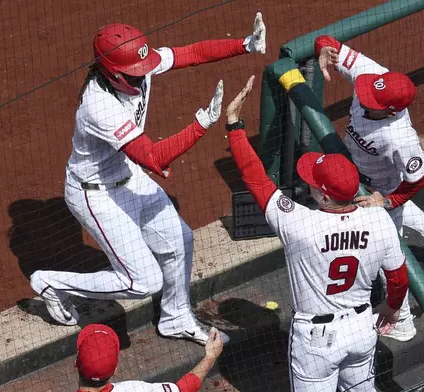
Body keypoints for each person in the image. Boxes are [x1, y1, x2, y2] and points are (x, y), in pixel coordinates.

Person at [28, 13, 267, 346]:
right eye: (133, 72)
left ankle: (176, 318)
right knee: (143, 282)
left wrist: (244, 44)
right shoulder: (98, 107)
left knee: (180, 240)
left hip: (128, 176)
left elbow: (192, 54)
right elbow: (153, 157)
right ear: (112, 71)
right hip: (96, 195)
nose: (142, 75)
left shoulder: (137, 64)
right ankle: (52, 284)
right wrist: (201, 123)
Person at [223, 75, 409, 391]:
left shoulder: (299, 224)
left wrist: (234, 126)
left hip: (315, 341)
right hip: (362, 329)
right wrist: (391, 309)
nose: (309, 184)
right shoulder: (379, 220)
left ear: (324, 196)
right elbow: (398, 279)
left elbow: (255, 178)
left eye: (314, 183)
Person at [314, 35, 424, 341]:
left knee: (388, 259)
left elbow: (419, 178)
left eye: (374, 104)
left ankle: (402, 322)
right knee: (393, 246)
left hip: (380, 189)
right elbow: (326, 41)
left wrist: (386, 201)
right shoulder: (374, 76)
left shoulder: (400, 137)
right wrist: (323, 54)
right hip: (363, 178)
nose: (365, 99)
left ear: (393, 111)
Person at [75, 323, 223, 392]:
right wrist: (210, 356)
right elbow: (184, 388)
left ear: (76, 363)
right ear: (115, 369)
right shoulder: (135, 389)